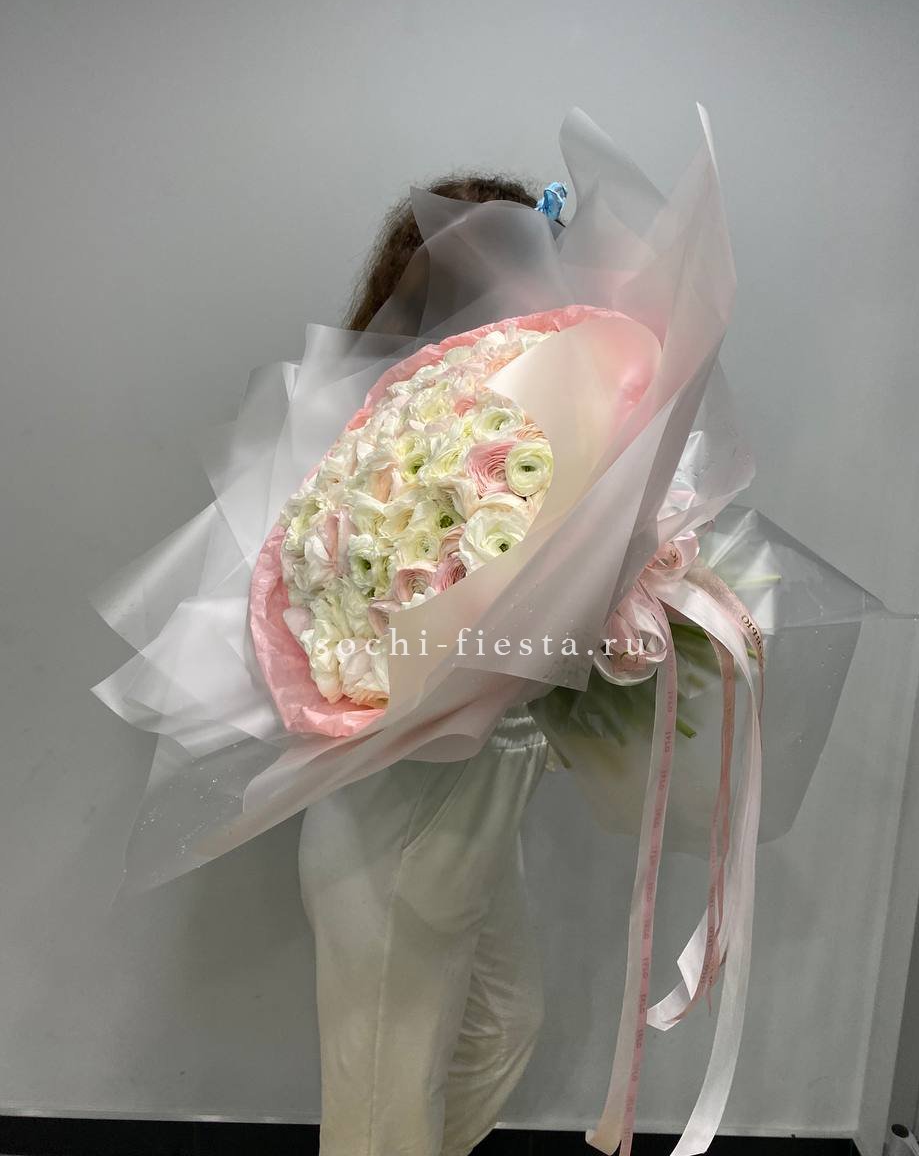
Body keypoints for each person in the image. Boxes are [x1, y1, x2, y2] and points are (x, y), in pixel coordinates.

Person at [297, 175, 559, 1156]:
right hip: (404, 803)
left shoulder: (525, 415)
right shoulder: (389, 440)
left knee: (504, 1022)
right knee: (383, 1101)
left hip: (481, 796)